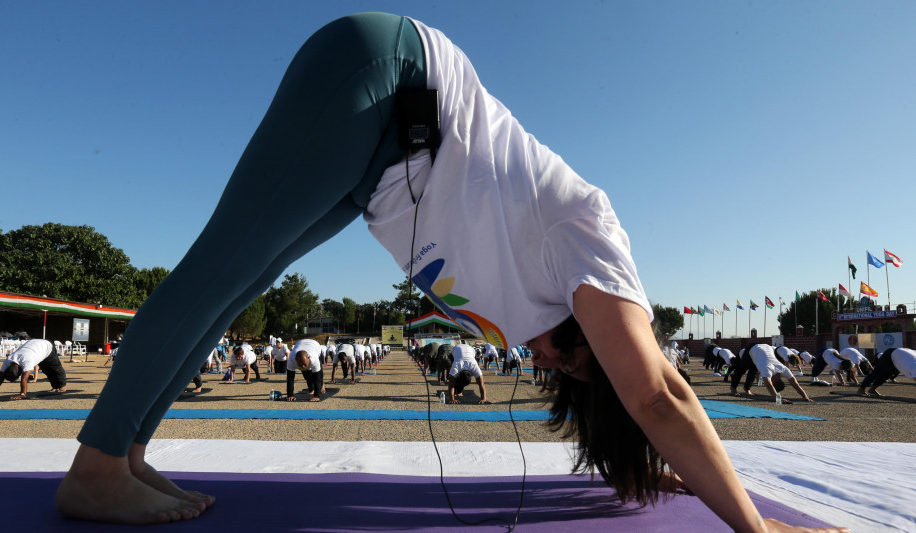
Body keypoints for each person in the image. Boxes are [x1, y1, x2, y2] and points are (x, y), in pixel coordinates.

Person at [55, 13, 847, 533]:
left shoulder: (543, 302)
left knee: (241, 283)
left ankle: (126, 454)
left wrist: (664, 467)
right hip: (389, 81)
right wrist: (753, 524)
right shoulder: (592, 237)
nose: (546, 360)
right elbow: (657, 395)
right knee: (221, 263)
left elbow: (641, 415)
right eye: (572, 357)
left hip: (377, 164)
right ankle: (95, 464)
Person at [0, 338, 67, 400]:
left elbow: (24, 379)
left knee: (55, 367)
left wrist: (22, 394)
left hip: (46, 346)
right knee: (45, 369)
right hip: (34, 345)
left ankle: (62, 387)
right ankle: (55, 387)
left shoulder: (27, 361)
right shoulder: (8, 361)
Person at [744, 344, 813, 404]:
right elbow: (769, 385)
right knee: (741, 369)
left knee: (751, 370)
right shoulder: (769, 370)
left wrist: (806, 397)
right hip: (754, 348)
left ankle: (746, 388)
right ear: (776, 380)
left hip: (767, 347)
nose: (770, 381)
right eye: (772, 382)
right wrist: (779, 399)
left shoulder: (783, 370)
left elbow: (796, 385)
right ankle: (744, 388)